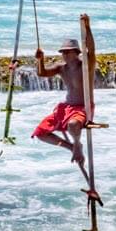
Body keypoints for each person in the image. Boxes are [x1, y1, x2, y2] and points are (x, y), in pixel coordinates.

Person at [31, 14, 96, 167]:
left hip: (82, 108)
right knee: (40, 133)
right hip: (66, 107)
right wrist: (40, 60)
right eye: (63, 52)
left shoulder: (86, 66)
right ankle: (73, 147)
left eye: (68, 52)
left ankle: (77, 143)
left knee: (73, 125)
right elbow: (42, 73)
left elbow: (91, 50)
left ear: (76, 52)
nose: (64, 55)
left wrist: (87, 28)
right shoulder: (61, 68)